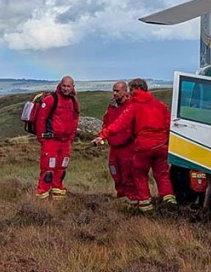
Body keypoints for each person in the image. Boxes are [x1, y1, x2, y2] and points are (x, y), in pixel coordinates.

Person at [96, 78, 176, 212]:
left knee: (139, 174)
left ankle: (145, 206)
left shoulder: (134, 106)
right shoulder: (160, 105)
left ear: (133, 90)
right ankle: (169, 202)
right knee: (162, 175)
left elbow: (119, 123)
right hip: (161, 147)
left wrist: (103, 135)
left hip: (143, 148)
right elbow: (169, 125)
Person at [33, 76, 80, 199]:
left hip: (65, 142)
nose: (66, 88)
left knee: (61, 168)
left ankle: (57, 192)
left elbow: (75, 119)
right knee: (48, 169)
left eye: (68, 86)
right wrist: (42, 138)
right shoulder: (51, 99)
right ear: (60, 85)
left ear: (73, 87)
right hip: (51, 140)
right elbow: (41, 120)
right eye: (64, 85)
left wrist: (71, 137)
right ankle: (42, 195)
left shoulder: (73, 101)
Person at [93, 80, 135, 202]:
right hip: (114, 147)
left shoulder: (131, 105)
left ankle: (131, 199)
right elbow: (106, 122)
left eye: (117, 91)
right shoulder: (112, 106)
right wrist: (103, 136)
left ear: (125, 91)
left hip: (127, 146)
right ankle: (121, 196)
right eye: (113, 90)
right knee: (115, 172)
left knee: (128, 175)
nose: (114, 93)